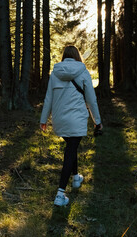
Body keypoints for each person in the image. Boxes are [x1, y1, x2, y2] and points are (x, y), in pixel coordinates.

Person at [40, 46, 103, 206]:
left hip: (60, 119)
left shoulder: (55, 73)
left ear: (64, 56)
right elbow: (91, 100)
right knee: (70, 151)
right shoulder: (83, 72)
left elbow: (48, 98)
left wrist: (43, 119)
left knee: (71, 147)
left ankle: (76, 178)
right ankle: (60, 194)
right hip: (77, 119)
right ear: (77, 56)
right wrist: (97, 121)